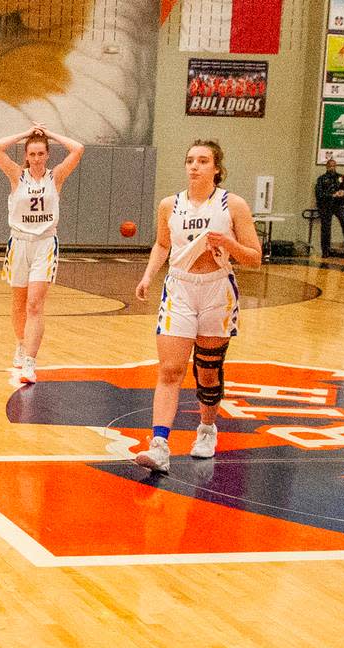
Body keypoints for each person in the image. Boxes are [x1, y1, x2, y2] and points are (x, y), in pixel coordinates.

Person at [133, 140, 262, 471]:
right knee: (170, 369)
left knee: (208, 370)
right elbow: (162, 244)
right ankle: (159, 444)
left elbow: (255, 258)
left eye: (203, 161)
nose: (194, 166)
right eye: (190, 160)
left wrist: (230, 243)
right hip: (179, 288)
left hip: (217, 290)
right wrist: (148, 276)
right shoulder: (169, 205)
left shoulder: (233, 205)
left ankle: (206, 429)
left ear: (216, 168)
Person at [0, 123, 84, 384]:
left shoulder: (56, 177)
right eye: (32, 154)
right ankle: (21, 343)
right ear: (26, 156)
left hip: (45, 244)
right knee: (19, 303)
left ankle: (30, 362)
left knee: (34, 305)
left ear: (47, 155)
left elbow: (78, 149)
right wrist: (25, 134)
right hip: (19, 243)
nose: (37, 159)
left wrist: (49, 134)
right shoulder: (17, 175)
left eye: (41, 154)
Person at [314, 157, 344, 259]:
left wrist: (343, 192)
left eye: (333, 166)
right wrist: (332, 195)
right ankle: (325, 251)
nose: (332, 168)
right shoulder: (322, 179)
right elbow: (319, 194)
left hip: (338, 205)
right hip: (326, 206)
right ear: (326, 167)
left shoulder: (341, 177)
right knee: (326, 229)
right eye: (330, 166)